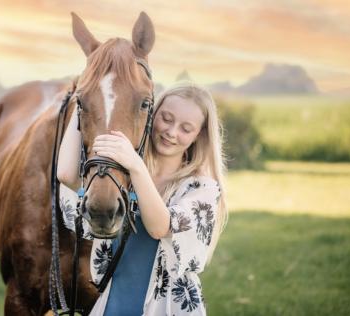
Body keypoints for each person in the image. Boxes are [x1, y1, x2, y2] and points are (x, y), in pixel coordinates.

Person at [57, 83, 227, 316]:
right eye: (166, 119)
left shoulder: (201, 189)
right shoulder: (121, 178)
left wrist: (137, 167)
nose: (171, 132)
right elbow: (66, 175)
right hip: (113, 304)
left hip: (166, 309)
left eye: (186, 128)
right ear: (151, 114)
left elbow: (160, 227)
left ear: (200, 135)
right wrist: (82, 102)